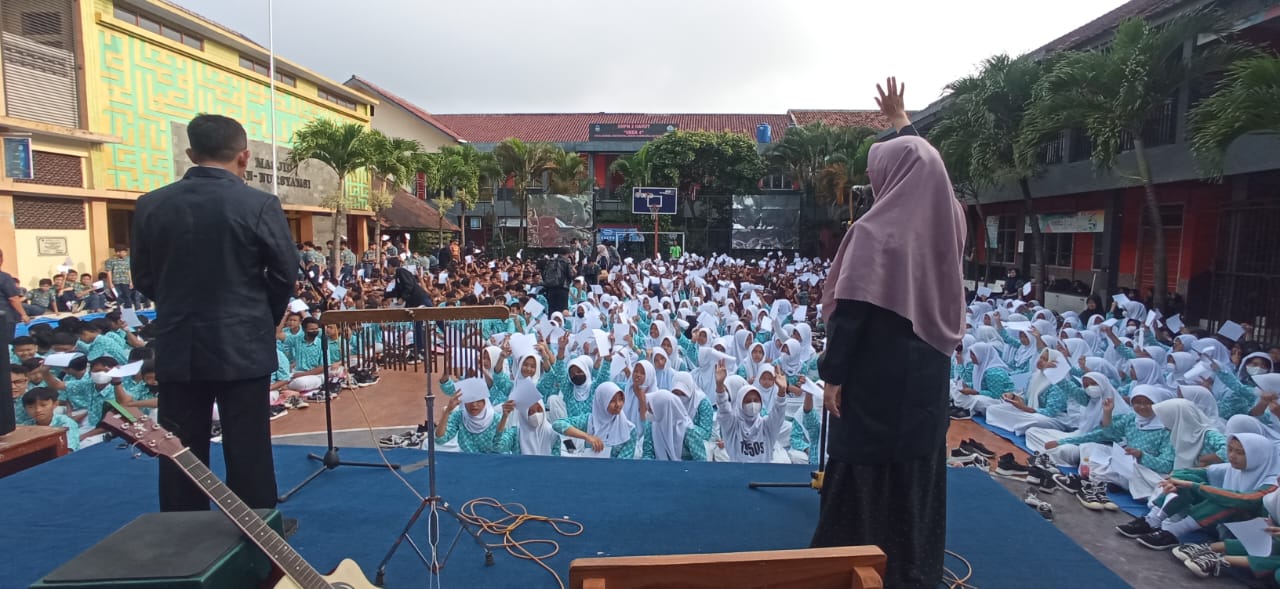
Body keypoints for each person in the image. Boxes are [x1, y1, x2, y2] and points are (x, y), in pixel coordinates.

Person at [811, 77, 966, 588]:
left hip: (876, 384)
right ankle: (912, 570)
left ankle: (849, 569)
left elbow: (850, 316)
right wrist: (903, 124)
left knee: (866, 474)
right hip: (927, 381)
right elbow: (930, 169)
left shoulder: (874, 232)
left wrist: (833, 376)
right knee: (914, 470)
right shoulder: (949, 222)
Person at [132, 114, 297, 512]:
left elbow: (144, 278)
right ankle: (256, 532)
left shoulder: (151, 205)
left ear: (190, 154)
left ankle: (184, 531)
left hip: (179, 344)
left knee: (180, 448)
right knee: (248, 447)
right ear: (244, 156)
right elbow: (285, 272)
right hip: (242, 345)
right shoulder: (259, 204)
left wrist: (178, 306)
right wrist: (261, 316)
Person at [542, 248, 574, 314]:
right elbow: (570, 275)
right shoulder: (566, 261)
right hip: (562, 288)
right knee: (563, 310)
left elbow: (544, 274)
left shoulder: (550, 261)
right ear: (567, 254)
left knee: (552, 309)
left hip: (550, 289)